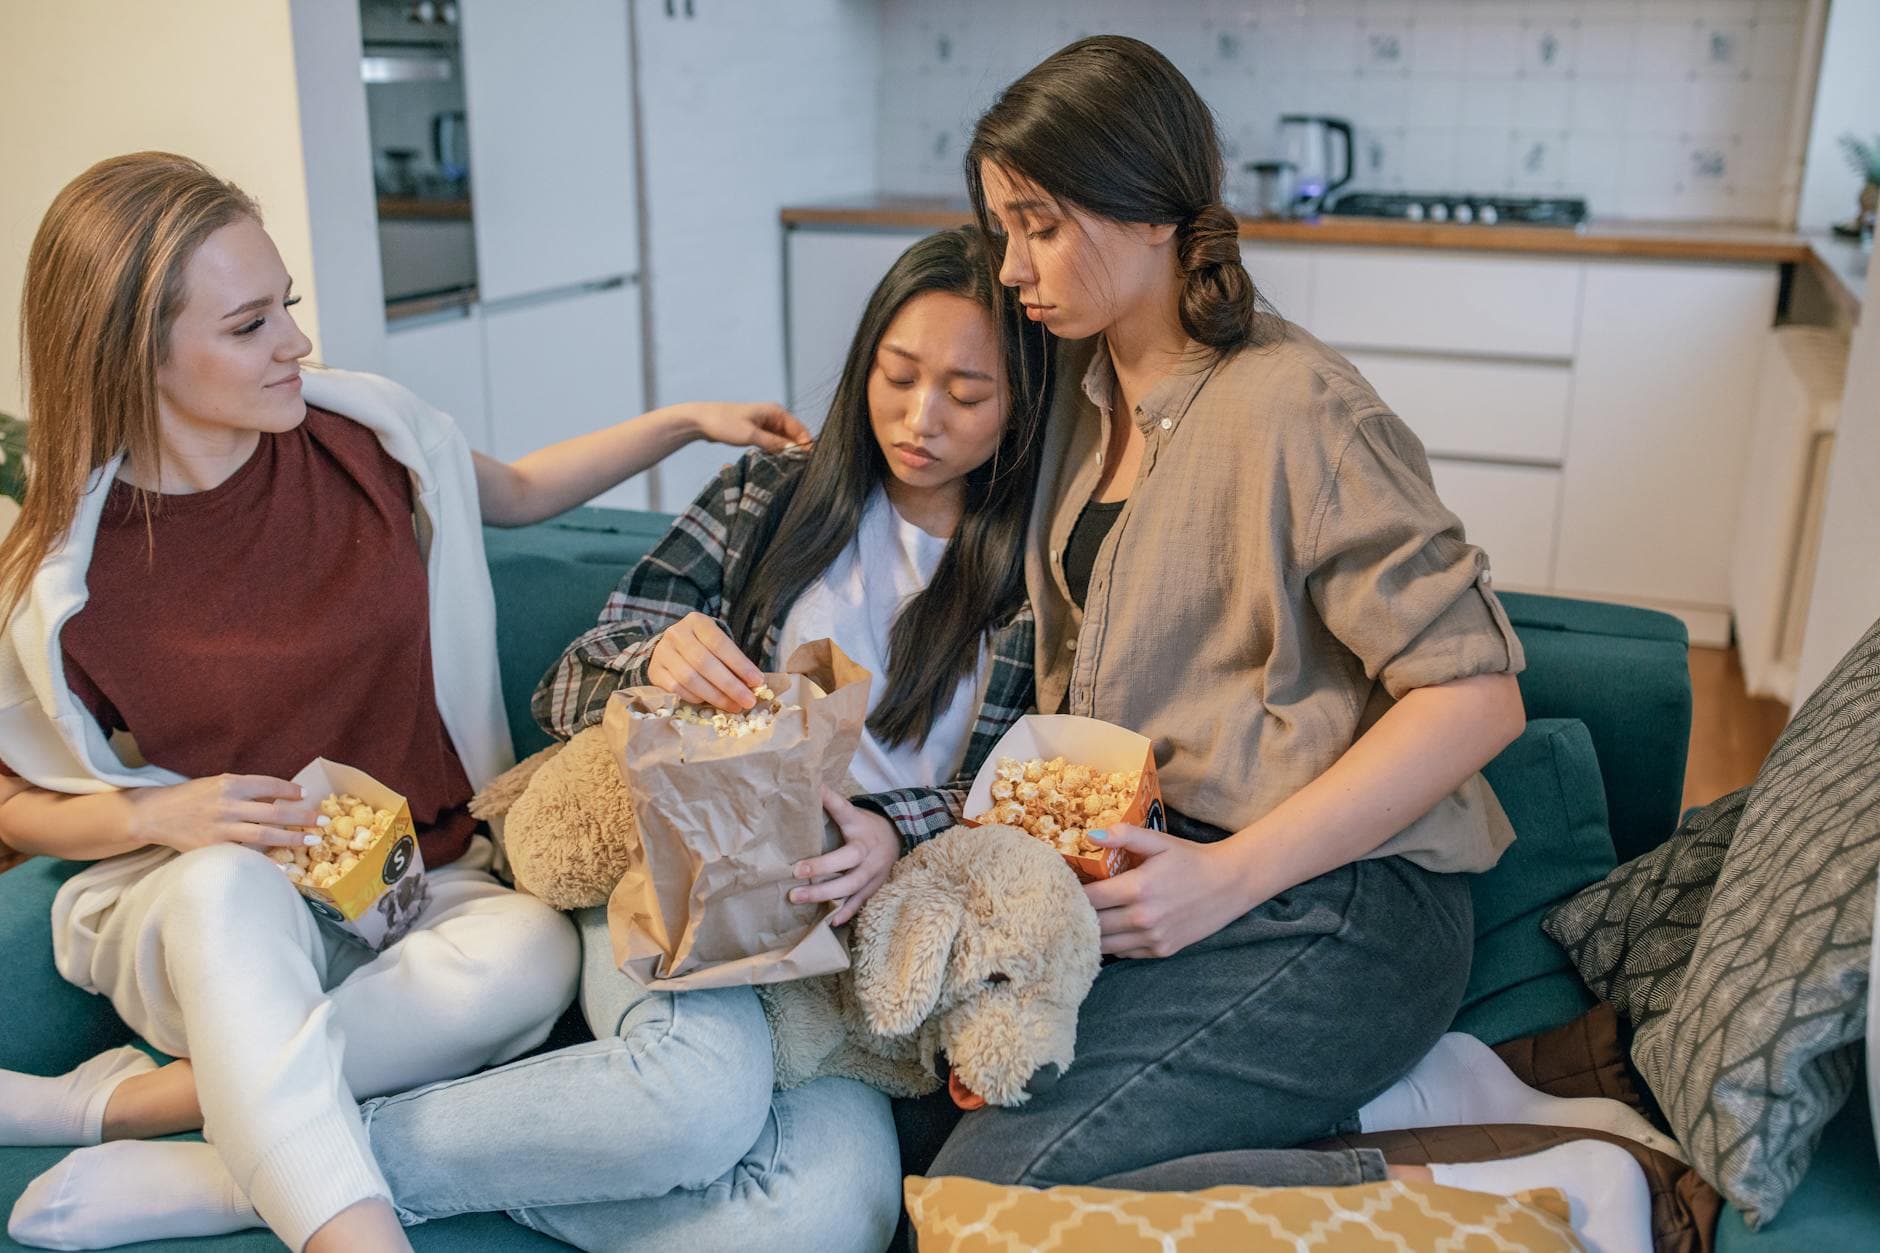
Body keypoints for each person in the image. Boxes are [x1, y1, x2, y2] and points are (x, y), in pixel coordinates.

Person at [10, 223, 1050, 1252]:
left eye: (966, 394)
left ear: (1023, 408)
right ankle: (301, 1179)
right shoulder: (768, 498)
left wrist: (885, 828)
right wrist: (654, 660)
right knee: (690, 1101)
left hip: (841, 942)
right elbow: (575, 678)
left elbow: (1020, 796)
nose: (920, 418)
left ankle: (251, 1169)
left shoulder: (1043, 575)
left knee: (826, 1214)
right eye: (896, 372)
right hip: (680, 883)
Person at [933, 36, 1660, 1253]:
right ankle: (1424, 1097)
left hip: (1335, 907)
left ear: (1151, 211)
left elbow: (1475, 696)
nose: (1010, 267)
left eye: (1038, 225)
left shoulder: (1299, 408)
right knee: (942, 1130)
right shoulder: (1085, 390)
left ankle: (1531, 1181)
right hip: (1173, 885)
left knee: (986, 1200)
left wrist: (1227, 876)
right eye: (1002, 226)